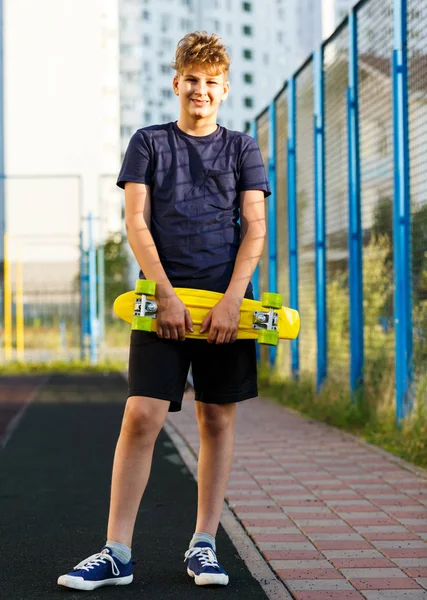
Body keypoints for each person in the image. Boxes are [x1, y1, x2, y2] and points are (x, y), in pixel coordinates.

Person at [57, 30, 270, 591]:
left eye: (211, 83)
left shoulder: (243, 148)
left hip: (226, 305)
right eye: (191, 80)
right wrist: (167, 293)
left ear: (224, 90)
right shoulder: (148, 143)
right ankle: (117, 552)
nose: (200, 90)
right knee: (142, 414)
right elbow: (136, 221)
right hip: (161, 303)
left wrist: (231, 302)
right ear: (177, 83)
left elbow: (255, 226)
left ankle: (204, 545)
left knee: (217, 418)